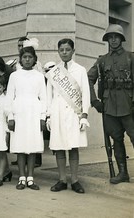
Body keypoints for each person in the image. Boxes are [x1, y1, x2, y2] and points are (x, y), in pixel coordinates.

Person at [87, 24, 134, 184]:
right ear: (107, 40)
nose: (113, 40)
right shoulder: (102, 60)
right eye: (110, 37)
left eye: (116, 37)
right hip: (109, 107)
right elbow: (88, 79)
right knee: (116, 140)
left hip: (129, 105)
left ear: (121, 38)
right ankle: (123, 173)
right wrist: (94, 101)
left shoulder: (130, 57)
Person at [46, 38, 90, 194]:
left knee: (73, 147)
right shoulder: (54, 73)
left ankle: (75, 180)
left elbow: (85, 94)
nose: (64, 52)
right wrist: (49, 116)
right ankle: (62, 180)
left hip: (73, 114)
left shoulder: (80, 70)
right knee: (59, 147)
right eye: (61, 50)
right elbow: (48, 96)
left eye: (67, 49)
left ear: (73, 51)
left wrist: (84, 115)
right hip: (57, 113)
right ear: (58, 52)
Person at [6, 39, 47, 190]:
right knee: (21, 147)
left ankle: (30, 177)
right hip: (19, 113)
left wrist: (43, 117)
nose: (27, 60)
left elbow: (44, 98)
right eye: (24, 57)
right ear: (20, 59)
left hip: (34, 113)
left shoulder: (39, 76)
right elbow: (9, 98)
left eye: (30, 57)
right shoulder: (14, 76)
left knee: (32, 147)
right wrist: (10, 117)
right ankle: (21, 177)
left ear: (34, 59)